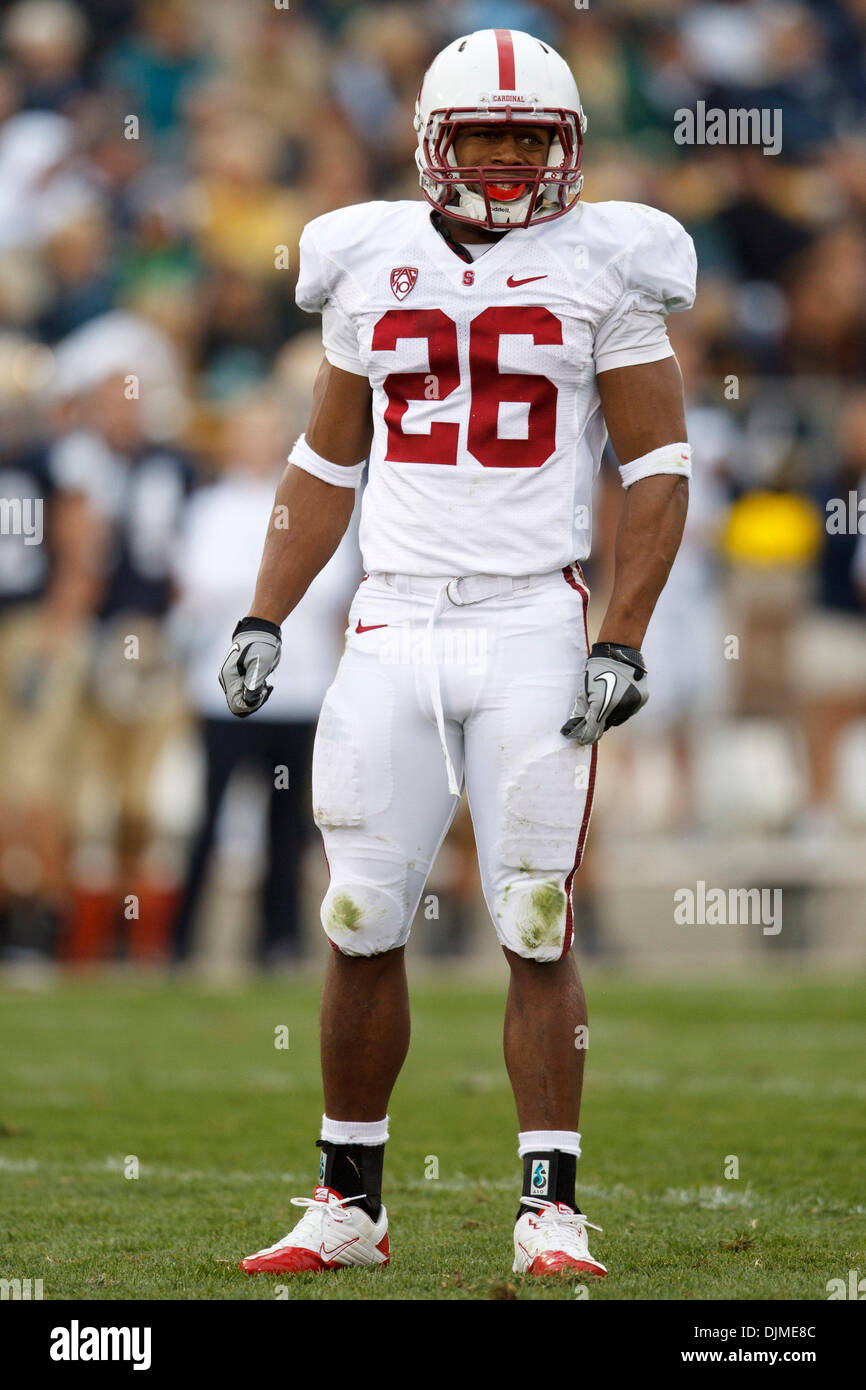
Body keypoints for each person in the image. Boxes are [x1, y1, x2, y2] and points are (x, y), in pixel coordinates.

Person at [220, 28, 695, 1280]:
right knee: (358, 910)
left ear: (566, 146)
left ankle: (549, 1203)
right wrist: (266, 609)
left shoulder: (609, 265)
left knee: (534, 915)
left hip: (534, 618)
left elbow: (656, 468)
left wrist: (620, 637)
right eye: (481, 134)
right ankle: (347, 1201)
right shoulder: (366, 258)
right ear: (431, 140)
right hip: (393, 618)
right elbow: (327, 460)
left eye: (525, 137)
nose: (500, 157)